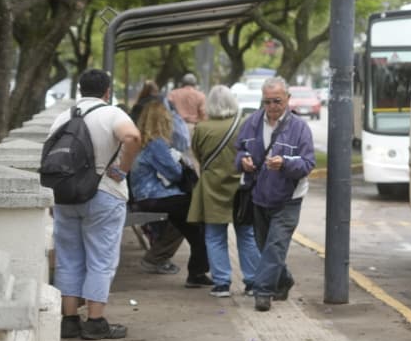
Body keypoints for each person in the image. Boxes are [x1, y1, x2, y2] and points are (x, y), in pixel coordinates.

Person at [49, 68, 142, 341]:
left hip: (66, 195)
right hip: (104, 194)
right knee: (100, 259)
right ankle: (95, 321)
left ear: (80, 90)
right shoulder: (112, 114)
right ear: (107, 91)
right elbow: (133, 137)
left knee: (68, 258)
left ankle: (69, 321)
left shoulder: (63, 117)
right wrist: (123, 169)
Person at [235, 77, 315, 312]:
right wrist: (243, 161)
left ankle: (263, 291)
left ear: (288, 99)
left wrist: (285, 163)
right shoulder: (251, 123)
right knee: (264, 246)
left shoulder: (300, 128)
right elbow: (239, 151)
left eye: (277, 101)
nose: (272, 106)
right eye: (267, 101)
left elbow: (307, 163)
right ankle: (283, 279)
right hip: (259, 196)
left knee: (275, 246)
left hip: (288, 199)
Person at [188, 85, 260, 298]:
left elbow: (198, 156)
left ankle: (221, 283)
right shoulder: (244, 124)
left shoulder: (202, 128)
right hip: (241, 188)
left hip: (212, 187)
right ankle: (252, 281)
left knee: (214, 236)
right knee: (247, 235)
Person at [130, 103, 212, 288]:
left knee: (192, 224)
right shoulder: (156, 144)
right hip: (155, 196)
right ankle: (196, 271)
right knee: (198, 214)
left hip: (145, 196)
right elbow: (175, 173)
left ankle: (196, 269)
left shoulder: (141, 142)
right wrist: (183, 163)